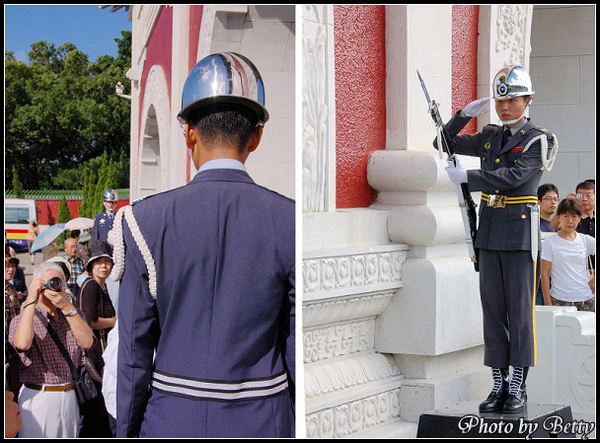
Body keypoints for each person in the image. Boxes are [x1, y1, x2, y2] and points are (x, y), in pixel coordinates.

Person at [112, 52, 295, 438]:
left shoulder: (142, 221)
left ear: (189, 132)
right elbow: (297, 347)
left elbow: (133, 356)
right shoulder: (291, 220)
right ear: (256, 136)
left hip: (171, 421)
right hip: (263, 420)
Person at [437, 65, 556, 414]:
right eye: (501, 99)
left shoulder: (539, 139)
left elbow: (515, 177)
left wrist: (469, 177)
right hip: (489, 232)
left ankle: (518, 384)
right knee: (492, 312)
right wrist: (461, 116)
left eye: (513, 99)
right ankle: (498, 382)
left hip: (520, 233)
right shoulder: (489, 136)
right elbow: (442, 142)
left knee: (519, 313)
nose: (505, 106)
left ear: (528, 100)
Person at [8, 261, 95, 438]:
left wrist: (67, 307)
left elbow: (87, 342)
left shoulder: (73, 315)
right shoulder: (24, 319)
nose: (54, 288)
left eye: (58, 283)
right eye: (48, 283)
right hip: (39, 395)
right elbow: (22, 344)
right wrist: (31, 299)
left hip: (70, 395)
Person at [76, 242, 116, 437]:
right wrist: (114, 322)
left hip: (102, 352)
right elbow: (89, 321)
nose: (104, 266)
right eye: (99, 262)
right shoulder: (91, 285)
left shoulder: (104, 286)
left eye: (107, 262)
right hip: (93, 354)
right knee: (97, 407)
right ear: (91, 266)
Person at [541, 199, 595, 312]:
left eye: (574, 216)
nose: (570, 221)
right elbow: (545, 274)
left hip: (586, 299)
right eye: (565, 216)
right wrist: (548, 303)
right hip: (560, 300)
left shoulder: (585, 240)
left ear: (579, 218)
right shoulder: (550, 242)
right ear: (559, 217)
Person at [5, 254, 24, 400]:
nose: (11, 269)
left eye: (12, 265)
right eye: (7, 265)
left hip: (14, 346)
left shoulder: (11, 288)